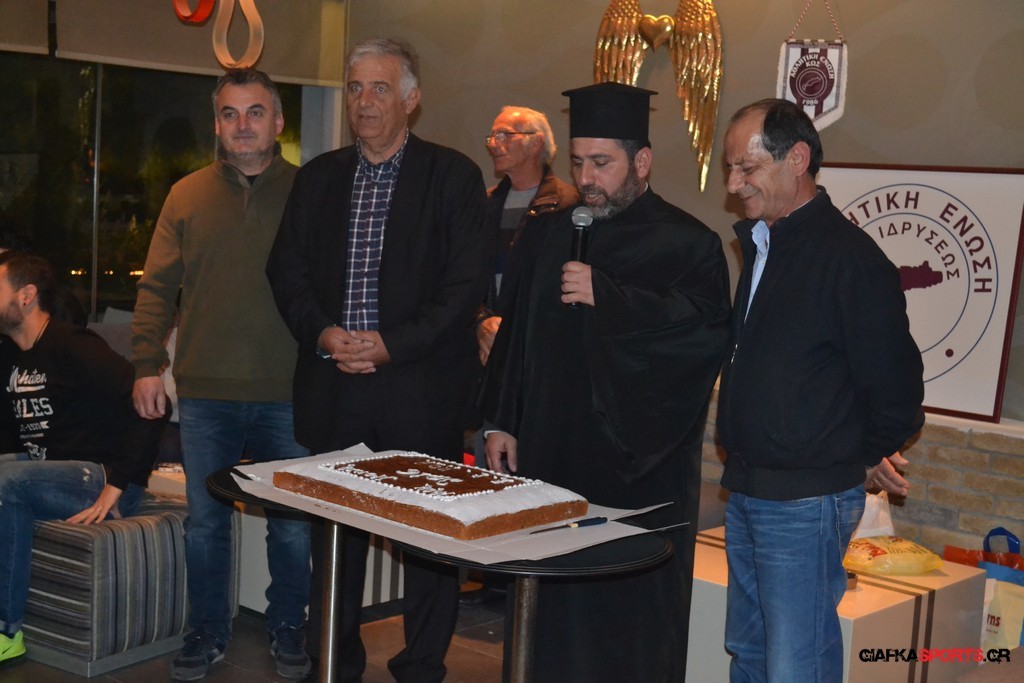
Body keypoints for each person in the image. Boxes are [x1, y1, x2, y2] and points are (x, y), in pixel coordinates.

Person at [484, 82, 731, 681]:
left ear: (641, 162)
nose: (587, 179)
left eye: (602, 163)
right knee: (548, 613)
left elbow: (702, 339)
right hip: (549, 454)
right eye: (577, 163)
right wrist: (500, 420)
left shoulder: (689, 243)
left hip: (636, 469)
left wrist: (611, 299)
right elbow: (517, 332)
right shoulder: (549, 232)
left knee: (626, 623)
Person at [265, 38, 491, 682]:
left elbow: (464, 286)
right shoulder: (318, 177)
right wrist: (324, 334)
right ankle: (334, 663)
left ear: (411, 100)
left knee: (428, 545)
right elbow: (286, 271)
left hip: (420, 391)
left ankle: (421, 666)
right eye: (356, 88)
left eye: (381, 88)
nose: (364, 102)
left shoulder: (452, 176)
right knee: (335, 542)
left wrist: (394, 343)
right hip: (333, 386)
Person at [716, 98, 925, 682]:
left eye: (747, 168)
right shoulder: (764, 245)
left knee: (795, 665)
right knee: (750, 652)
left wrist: (856, 455)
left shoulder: (850, 259)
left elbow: (898, 389)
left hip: (805, 502)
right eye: (730, 168)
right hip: (749, 488)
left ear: (798, 159)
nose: (733, 184)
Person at [131, 69, 312, 681]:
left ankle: (289, 625)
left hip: (290, 392)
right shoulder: (186, 195)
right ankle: (206, 631)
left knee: (292, 527)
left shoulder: (310, 191)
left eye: (255, 112)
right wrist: (146, 364)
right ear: (217, 124)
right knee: (206, 526)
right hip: (206, 393)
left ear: (278, 122)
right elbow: (156, 287)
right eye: (230, 114)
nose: (243, 125)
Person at [0, 251, 164, 665]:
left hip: (100, 481)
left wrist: (119, 482)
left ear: (26, 296)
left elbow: (150, 407)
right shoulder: (11, 356)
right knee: (9, 479)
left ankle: (6, 631)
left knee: (8, 482)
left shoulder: (73, 345)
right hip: (47, 475)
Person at [476, 105, 578, 366]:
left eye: (504, 135)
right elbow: (468, 275)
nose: (493, 144)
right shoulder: (484, 204)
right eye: (491, 137)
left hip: (543, 349)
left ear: (536, 143)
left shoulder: (567, 206)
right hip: (489, 344)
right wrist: (481, 320)